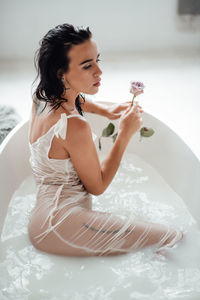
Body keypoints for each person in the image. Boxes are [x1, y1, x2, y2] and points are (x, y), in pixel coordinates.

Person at [28, 23, 183, 257]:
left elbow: (71, 100)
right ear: (61, 73)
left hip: (44, 218)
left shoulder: (41, 98)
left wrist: (105, 111)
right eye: (87, 65)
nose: (99, 72)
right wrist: (125, 134)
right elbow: (97, 186)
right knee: (173, 238)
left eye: (97, 60)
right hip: (60, 226)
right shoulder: (75, 126)